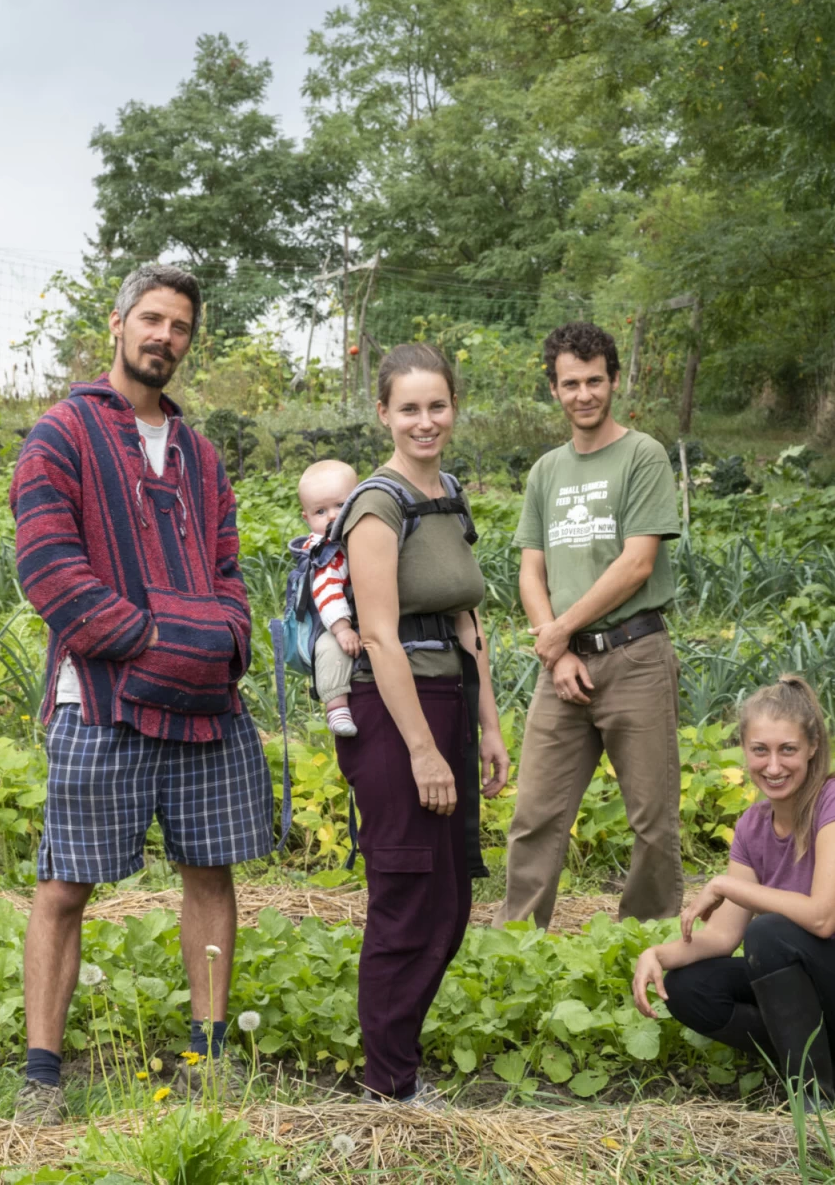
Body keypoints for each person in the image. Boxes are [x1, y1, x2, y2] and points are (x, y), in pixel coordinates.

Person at [9, 263, 270, 1126]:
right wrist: (150, 642)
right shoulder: (63, 434)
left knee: (210, 869)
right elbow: (48, 569)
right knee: (64, 883)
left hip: (207, 705)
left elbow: (229, 570)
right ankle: (41, 1072)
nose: (165, 337)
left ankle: (209, 1051)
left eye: (181, 326)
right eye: (151, 319)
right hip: (103, 700)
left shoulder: (201, 455)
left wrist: (222, 640)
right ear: (116, 325)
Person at [630, 676, 835, 1101]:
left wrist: (725, 884)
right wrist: (656, 955)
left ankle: (813, 1099)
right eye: (760, 750)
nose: (773, 766)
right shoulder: (752, 827)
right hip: (834, 1005)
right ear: (744, 749)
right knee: (688, 988)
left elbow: (823, 917)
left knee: (771, 933)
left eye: (787, 750)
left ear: (812, 747)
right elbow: (722, 937)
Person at [337, 343, 510, 1104]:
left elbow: (469, 621)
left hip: (451, 704)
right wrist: (423, 752)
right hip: (397, 714)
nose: (425, 420)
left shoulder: (449, 494)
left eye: (437, 405)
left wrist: (490, 728)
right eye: (408, 407)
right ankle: (388, 1085)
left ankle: (399, 1067)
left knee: (450, 899)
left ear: (454, 408)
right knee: (407, 898)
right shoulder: (377, 505)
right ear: (383, 413)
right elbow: (378, 634)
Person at [498, 320, 683, 930]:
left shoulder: (643, 455)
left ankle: (645, 940)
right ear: (554, 389)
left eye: (595, 381)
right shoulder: (547, 471)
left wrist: (557, 632)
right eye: (571, 383)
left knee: (652, 819)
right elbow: (532, 571)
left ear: (615, 381)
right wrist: (558, 649)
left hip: (635, 656)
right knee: (536, 815)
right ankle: (518, 941)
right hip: (565, 665)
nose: (584, 395)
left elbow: (637, 563)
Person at [294, 458, 361, 738]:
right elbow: (327, 590)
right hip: (329, 621)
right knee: (331, 649)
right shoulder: (326, 552)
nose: (332, 516)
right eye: (321, 511)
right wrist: (342, 628)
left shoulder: (357, 537)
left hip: (356, 615)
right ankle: (336, 707)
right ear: (307, 519)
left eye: (340, 505)